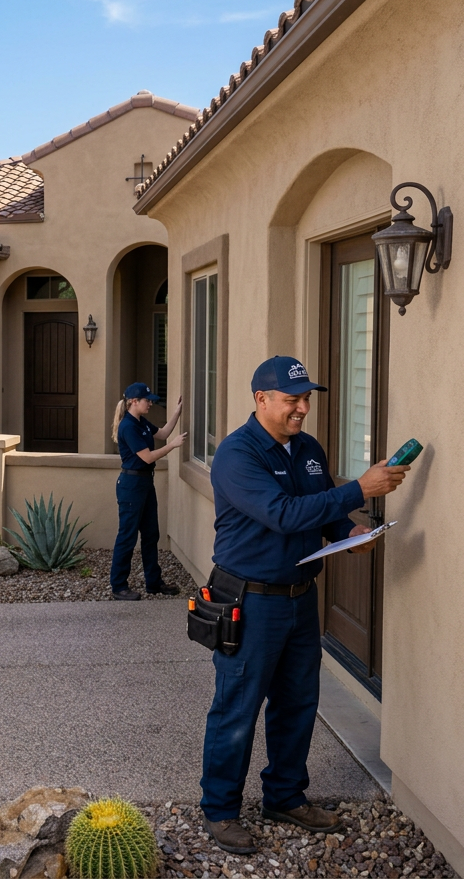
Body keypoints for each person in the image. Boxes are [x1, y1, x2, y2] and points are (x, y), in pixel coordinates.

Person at [200, 356, 409, 855]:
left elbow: (324, 513)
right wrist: (359, 489)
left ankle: (285, 796)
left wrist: (352, 534)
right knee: (237, 709)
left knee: (298, 704)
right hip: (248, 602)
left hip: (299, 598)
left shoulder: (308, 449)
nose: (302, 409)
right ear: (261, 399)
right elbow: (282, 514)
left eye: (306, 398)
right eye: (292, 399)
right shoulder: (237, 455)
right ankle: (221, 810)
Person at [110, 382, 187, 601]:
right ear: (134, 402)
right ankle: (119, 586)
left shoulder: (140, 422)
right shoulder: (128, 426)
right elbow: (148, 457)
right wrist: (173, 446)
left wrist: (176, 413)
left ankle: (153, 582)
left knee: (151, 534)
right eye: (147, 400)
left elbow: (161, 433)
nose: (150, 403)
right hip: (131, 486)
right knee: (127, 536)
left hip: (145, 484)